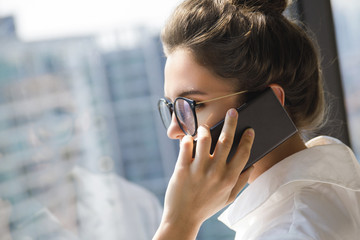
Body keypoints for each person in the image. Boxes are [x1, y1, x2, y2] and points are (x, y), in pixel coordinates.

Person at [153, 0, 360, 239]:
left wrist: (179, 222)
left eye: (193, 105)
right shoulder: (328, 194)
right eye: (171, 108)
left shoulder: (293, 229)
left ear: (268, 103)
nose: (174, 129)